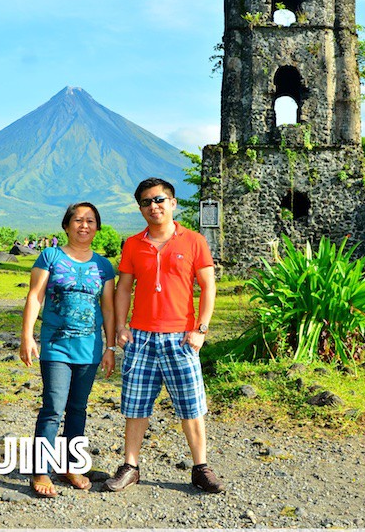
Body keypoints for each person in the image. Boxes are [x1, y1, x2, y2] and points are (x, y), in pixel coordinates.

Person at [104, 177, 224, 494]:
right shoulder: (132, 244)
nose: (153, 206)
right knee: (135, 406)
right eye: (146, 202)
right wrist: (120, 327)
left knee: (191, 406)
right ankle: (130, 466)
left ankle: (201, 468)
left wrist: (201, 329)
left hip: (181, 337)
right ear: (140, 208)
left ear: (172, 203)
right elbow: (124, 289)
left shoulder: (194, 241)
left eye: (159, 200)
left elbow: (208, 287)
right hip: (141, 336)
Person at [20, 202, 117, 498]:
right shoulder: (50, 256)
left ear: (97, 227)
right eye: (78, 220)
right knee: (53, 407)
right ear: (66, 225)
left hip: (89, 349)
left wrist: (110, 347)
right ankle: (41, 470)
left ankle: (71, 464)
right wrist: (27, 336)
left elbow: (110, 310)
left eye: (90, 221)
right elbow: (35, 297)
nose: (83, 225)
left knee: (78, 408)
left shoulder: (103, 266)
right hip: (55, 346)